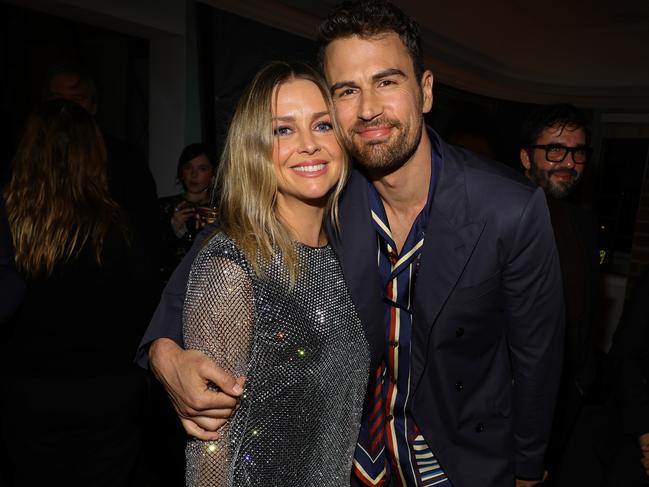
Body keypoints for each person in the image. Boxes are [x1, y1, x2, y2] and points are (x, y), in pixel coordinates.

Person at [138, 2, 564, 486]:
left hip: (456, 456)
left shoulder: (508, 207)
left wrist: (528, 470)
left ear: (424, 91)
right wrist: (164, 353)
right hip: (352, 458)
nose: (367, 109)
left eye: (387, 81)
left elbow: (538, 359)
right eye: (347, 90)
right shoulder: (330, 192)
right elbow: (227, 250)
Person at [182, 60, 376, 485]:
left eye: (323, 125)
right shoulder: (232, 267)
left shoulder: (354, 251)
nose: (308, 144)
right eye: (283, 130)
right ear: (255, 146)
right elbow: (210, 443)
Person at [1, 99, 157, 485]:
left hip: (28, 397)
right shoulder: (118, 230)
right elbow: (143, 309)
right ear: (94, 156)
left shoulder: (9, 225)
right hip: (105, 397)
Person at [518, 104, 601, 484]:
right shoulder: (504, 216)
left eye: (578, 151)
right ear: (526, 156)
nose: (568, 162)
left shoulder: (583, 221)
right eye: (555, 150)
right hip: (513, 407)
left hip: (567, 399)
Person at [158, 143, 216, 280]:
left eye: (202, 168)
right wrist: (172, 231)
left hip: (211, 284)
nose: (193, 174)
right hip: (173, 284)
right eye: (188, 167)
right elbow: (153, 255)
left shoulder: (224, 210)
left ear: (213, 173)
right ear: (181, 172)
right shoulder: (164, 207)